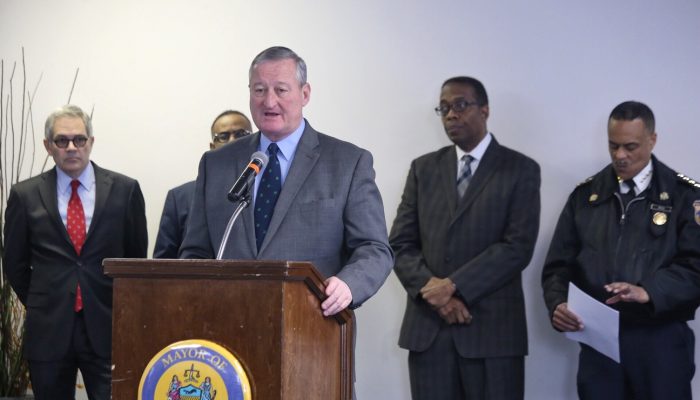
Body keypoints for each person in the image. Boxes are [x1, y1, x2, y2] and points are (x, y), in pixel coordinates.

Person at [179, 45, 393, 318]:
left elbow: (374, 249)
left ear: (305, 94)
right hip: (227, 323)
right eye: (259, 90)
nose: (269, 102)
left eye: (280, 90)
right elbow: (195, 253)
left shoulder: (348, 162)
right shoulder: (216, 163)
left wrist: (348, 285)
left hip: (312, 326)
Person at [390, 76, 541, 400]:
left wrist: (454, 287)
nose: (450, 115)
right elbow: (400, 243)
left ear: (484, 110)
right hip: (430, 333)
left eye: (460, 105)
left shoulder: (521, 169)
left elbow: (517, 247)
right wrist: (435, 293)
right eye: (443, 108)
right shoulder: (423, 169)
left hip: (493, 335)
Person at [541, 100, 700, 400]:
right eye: (613, 146)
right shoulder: (585, 196)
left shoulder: (685, 195)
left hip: (660, 343)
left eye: (630, 146)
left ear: (652, 140)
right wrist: (558, 304)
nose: (620, 156)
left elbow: (696, 267)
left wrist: (648, 291)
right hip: (599, 344)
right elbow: (557, 266)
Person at [3, 104, 148, 399]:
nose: (71, 147)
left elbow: (135, 259)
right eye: (62, 141)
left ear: (91, 142)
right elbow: (15, 262)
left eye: (79, 140)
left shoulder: (125, 190)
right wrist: (42, 298)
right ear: (48, 146)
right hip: (49, 327)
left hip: (107, 325)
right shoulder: (25, 194)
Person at [153, 110, 252, 258]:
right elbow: (163, 263)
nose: (233, 141)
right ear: (212, 147)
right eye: (223, 137)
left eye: (241, 134)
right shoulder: (180, 197)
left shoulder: (267, 190)